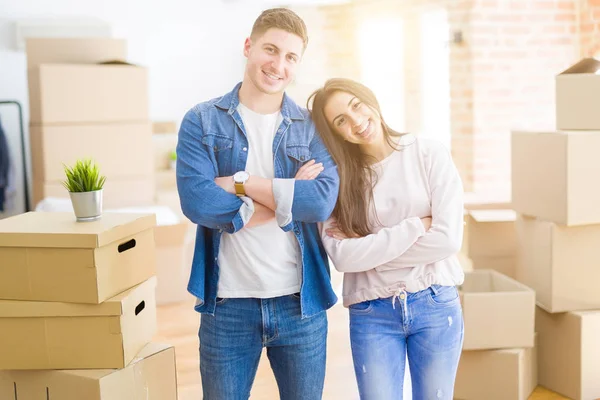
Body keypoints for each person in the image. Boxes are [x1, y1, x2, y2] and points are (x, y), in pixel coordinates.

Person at [176, 7, 340, 400]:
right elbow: (199, 202)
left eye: (290, 57)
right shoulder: (201, 121)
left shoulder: (312, 126)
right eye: (271, 49)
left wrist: (240, 183)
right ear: (249, 47)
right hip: (228, 305)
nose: (278, 65)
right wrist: (285, 198)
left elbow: (318, 203)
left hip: (300, 305)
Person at [308, 78, 465, 400]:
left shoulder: (427, 152)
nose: (356, 122)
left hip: (435, 302)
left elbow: (448, 240)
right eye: (341, 121)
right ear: (335, 133)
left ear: (370, 101)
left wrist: (370, 253)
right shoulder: (338, 180)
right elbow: (343, 258)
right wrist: (415, 228)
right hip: (372, 314)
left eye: (356, 106)